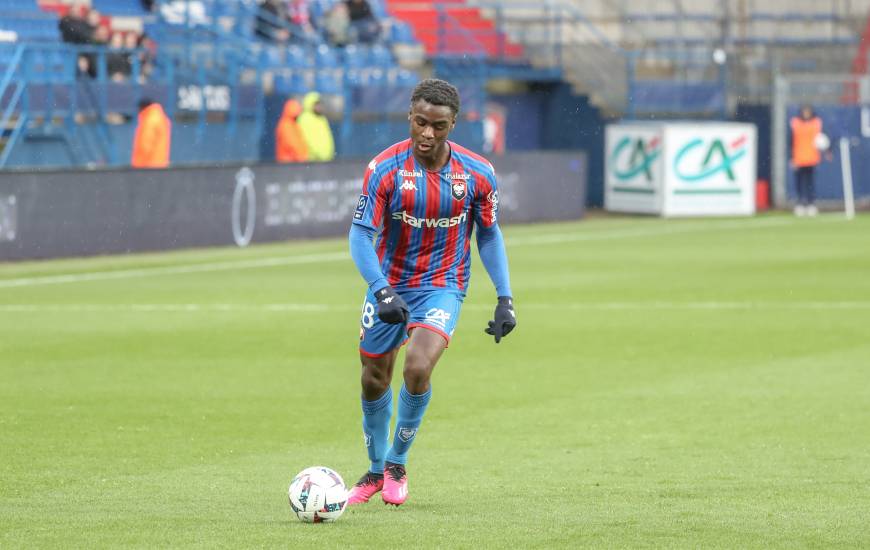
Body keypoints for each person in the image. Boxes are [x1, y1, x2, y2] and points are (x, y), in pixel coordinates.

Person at [345, 79, 517, 507]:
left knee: (418, 368)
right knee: (373, 378)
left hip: (443, 285)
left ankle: (397, 464)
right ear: (410, 117)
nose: (427, 134)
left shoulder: (477, 173)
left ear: (453, 124)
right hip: (390, 285)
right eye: (420, 123)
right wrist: (381, 290)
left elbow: (490, 236)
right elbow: (360, 234)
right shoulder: (384, 169)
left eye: (438, 126)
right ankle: (373, 469)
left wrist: (505, 297)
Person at [790, 105, 824, 217]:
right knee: (799, 183)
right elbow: (791, 141)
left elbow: (821, 138)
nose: (806, 114)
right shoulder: (795, 123)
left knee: (810, 183)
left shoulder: (817, 123)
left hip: (811, 158)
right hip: (798, 158)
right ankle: (800, 204)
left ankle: (811, 204)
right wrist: (792, 158)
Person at [131, 98, 171, 168]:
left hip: (147, 165)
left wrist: (138, 164)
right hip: (160, 163)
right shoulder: (159, 117)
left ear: (143, 107)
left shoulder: (149, 120)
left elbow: (145, 145)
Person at [297, 91, 335, 162]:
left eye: (320, 104)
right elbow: (307, 139)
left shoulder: (322, 118)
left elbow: (327, 137)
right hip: (312, 160)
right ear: (310, 104)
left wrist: (328, 154)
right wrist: (321, 154)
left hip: (325, 159)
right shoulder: (305, 118)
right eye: (316, 104)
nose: (319, 107)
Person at [275, 98, 308, 163]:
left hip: (293, 162)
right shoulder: (286, 125)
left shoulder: (293, 124)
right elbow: (291, 144)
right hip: (288, 162)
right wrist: (302, 156)